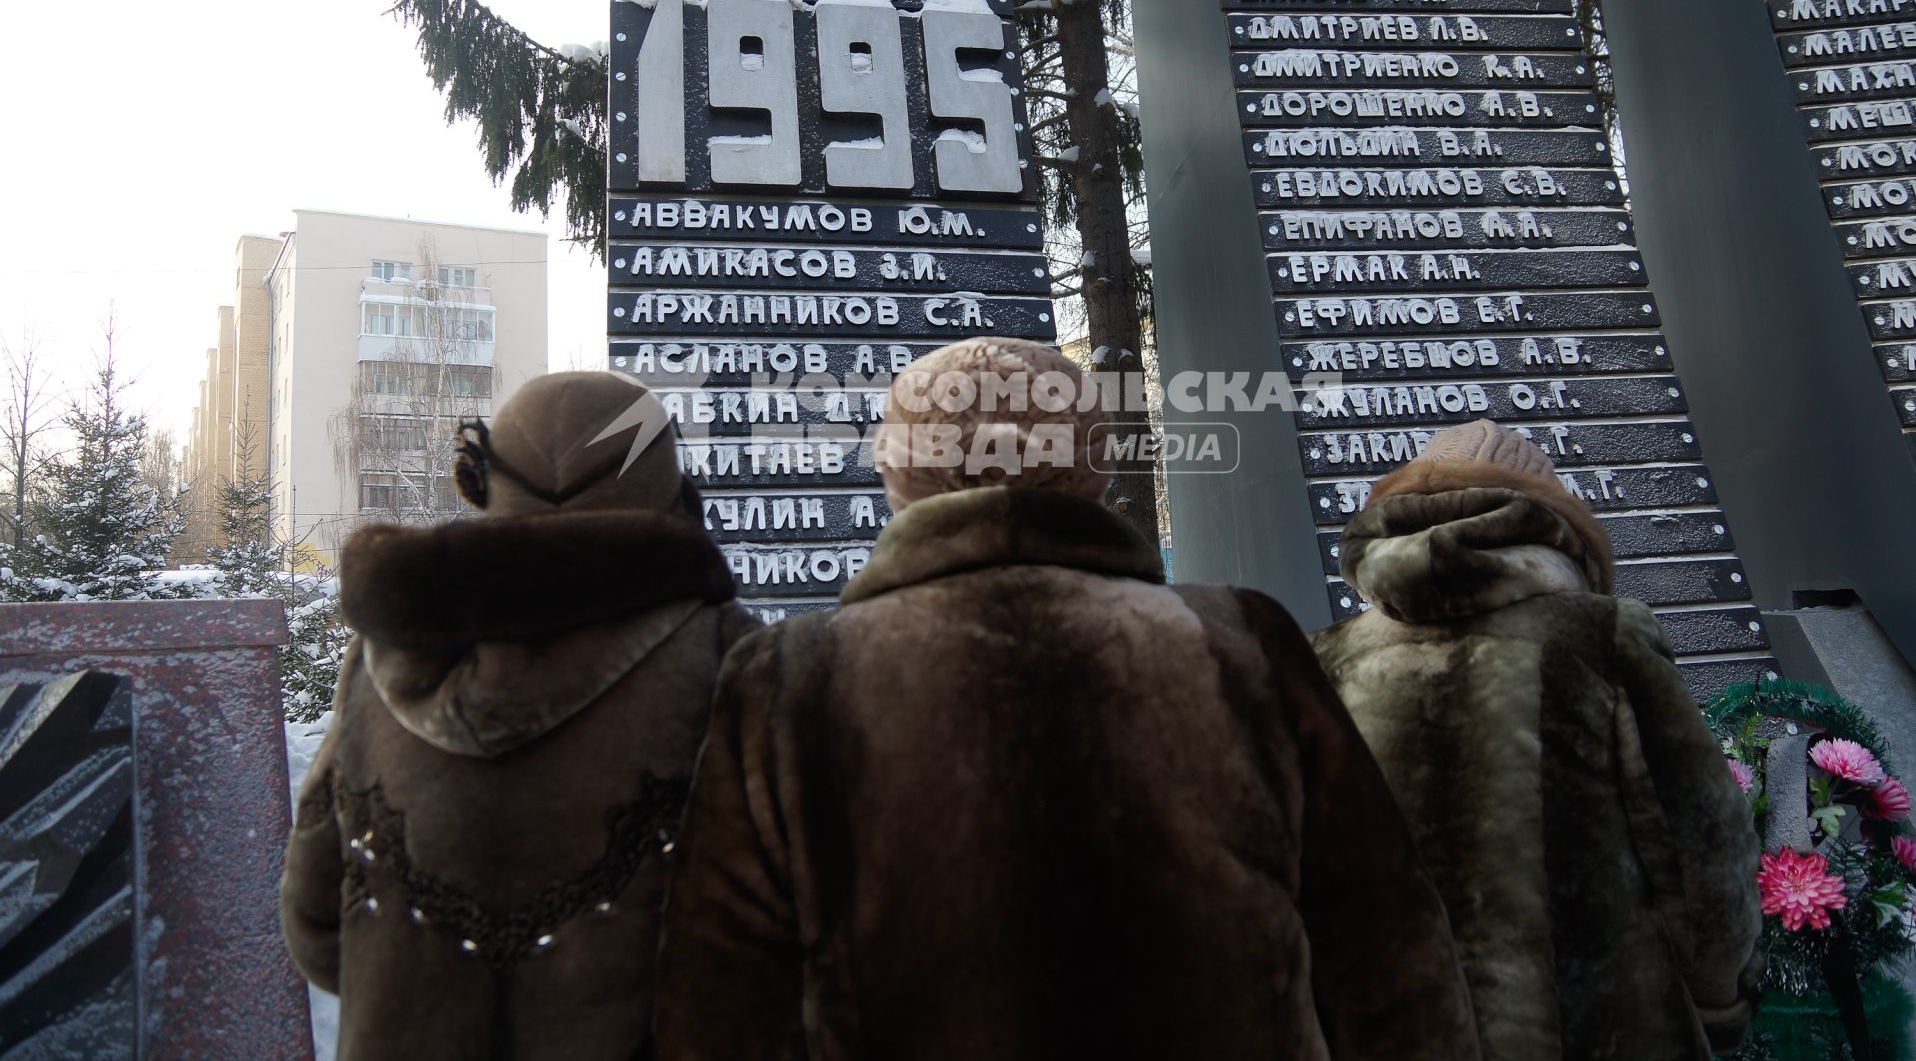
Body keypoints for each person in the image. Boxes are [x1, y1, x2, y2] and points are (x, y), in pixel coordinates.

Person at [653, 336, 1481, 1061]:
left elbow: (725, 1006)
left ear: (897, 475)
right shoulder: (1240, 640)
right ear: (1093, 468)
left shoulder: (789, 677)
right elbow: (1387, 949)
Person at [281, 372, 758, 1059]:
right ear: (663, 478)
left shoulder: (386, 652)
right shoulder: (723, 651)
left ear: (488, 477)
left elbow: (316, 926)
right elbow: (782, 924)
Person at [1312, 419, 1763, 1061]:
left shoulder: (1325, 660)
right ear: (1551, 520)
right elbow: (1702, 850)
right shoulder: (1603, 640)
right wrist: (1721, 1004)